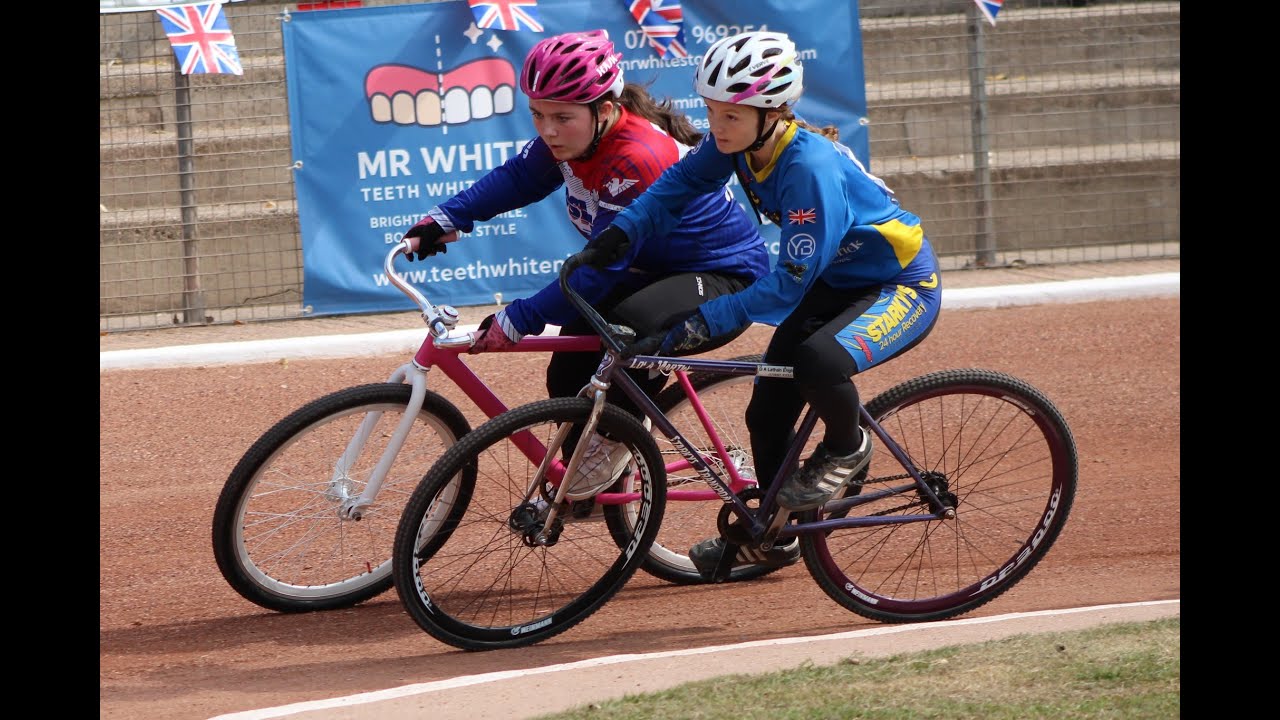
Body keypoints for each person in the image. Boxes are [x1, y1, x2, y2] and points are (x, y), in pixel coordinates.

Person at [592, 30, 943, 575]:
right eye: (711, 112)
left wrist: (700, 322)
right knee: (768, 409)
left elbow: (786, 286)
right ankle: (776, 537)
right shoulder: (739, 143)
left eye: (730, 116)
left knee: (818, 361)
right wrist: (621, 234)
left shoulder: (808, 168)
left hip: (900, 285)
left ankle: (848, 447)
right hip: (835, 283)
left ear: (771, 112)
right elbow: (678, 185)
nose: (717, 127)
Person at [400, 29, 769, 501]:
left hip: (724, 277)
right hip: (650, 271)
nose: (547, 130)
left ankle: (611, 451)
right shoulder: (577, 138)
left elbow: (598, 272)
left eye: (561, 117)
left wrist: (519, 318)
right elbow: (518, 179)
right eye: (537, 114)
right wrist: (447, 218)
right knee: (569, 365)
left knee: (630, 332)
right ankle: (586, 475)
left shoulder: (636, 158)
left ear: (605, 109)